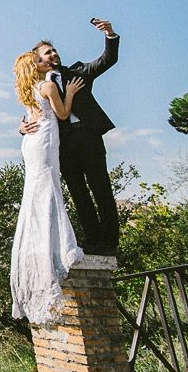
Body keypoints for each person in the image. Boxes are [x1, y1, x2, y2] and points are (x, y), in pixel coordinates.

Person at [20, 20, 121, 255]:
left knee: (100, 187)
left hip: (87, 136)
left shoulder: (78, 72)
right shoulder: (39, 85)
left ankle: (109, 241)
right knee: (78, 192)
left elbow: (107, 59)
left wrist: (110, 34)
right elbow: (36, 113)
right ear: (38, 61)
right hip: (61, 144)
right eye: (47, 53)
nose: (53, 54)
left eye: (54, 50)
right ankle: (93, 239)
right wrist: (22, 127)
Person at [10, 52, 85, 326]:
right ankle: (59, 249)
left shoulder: (27, 89)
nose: (47, 62)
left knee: (35, 195)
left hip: (31, 143)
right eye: (41, 60)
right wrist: (72, 93)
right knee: (50, 190)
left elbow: (29, 118)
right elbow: (63, 114)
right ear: (35, 66)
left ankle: (42, 250)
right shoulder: (49, 86)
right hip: (44, 142)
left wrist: (21, 128)